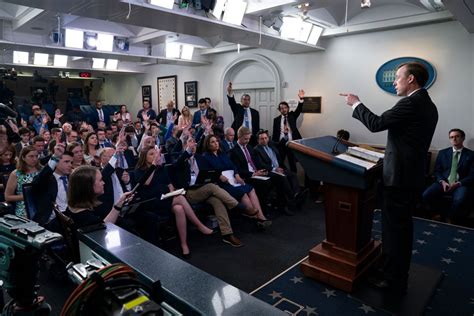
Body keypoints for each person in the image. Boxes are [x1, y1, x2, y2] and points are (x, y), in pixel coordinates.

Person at [340, 62, 438, 295]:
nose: (394, 81)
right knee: (400, 230)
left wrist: (356, 103)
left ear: (411, 79)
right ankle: (393, 272)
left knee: (395, 232)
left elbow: (376, 124)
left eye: (398, 76)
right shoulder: (427, 104)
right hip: (408, 177)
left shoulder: (411, 103)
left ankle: (393, 280)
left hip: (399, 180)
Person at [135, 146, 213, 257]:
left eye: (155, 154)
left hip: (166, 199)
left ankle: (184, 244)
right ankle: (199, 225)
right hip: (151, 202)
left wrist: (171, 193)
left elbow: (169, 184)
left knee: (179, 208)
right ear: (144, 157)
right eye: (151, 154)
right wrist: (153, 166)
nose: (155, 156)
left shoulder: (161, 168)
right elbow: (146, 182)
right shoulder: (139, 170)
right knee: (180, 199)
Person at [173, 134, 250, 247]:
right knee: (212, 187)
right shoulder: (179, 157)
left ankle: (227, 234)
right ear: (185, 145)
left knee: (217, 201)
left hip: (203, 188)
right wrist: (187, 152)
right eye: (190, 142)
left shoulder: (199, 158)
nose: (193, 145)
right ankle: (238, 206)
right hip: (189, 192)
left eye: (194, 143)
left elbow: (209, 173)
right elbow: (176, 166)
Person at [201, 135, 271, 228]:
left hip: (232, 179)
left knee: (251, 189)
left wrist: (237, 175)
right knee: (243, 193)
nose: (216, 144)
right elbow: (208, 173)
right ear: (207, 145)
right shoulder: (205, 157)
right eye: (212, 142)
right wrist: (219, 175)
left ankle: (261, 217)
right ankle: (256, 219)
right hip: (220, 184)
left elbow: (233, 166)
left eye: (217, 141)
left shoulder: (222, 154)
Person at [422, 128, 474, 223]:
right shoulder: (443, 153)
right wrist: (442, 181)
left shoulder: (471, 155)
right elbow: (437, 171)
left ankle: (449, 217)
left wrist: (459, 183)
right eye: (451, 137)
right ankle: (440, 213)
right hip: (443, 182)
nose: (454, 139)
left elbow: (472, 175)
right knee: (426, 195)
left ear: (463, 138)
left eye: (457, 136)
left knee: (460, 199)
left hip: (461, 184)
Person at [65, 165, 133, 229]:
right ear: (88, 186)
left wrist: (119, 203)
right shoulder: (88, 219)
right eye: (100, 180)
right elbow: (103, 229)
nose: (103, 183)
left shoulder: (74, 206)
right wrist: (118, 206)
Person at [272, 90, 305, 172]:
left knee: (293, 164)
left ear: (288, 108)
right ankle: (282, 180)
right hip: (281, 144)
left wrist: (301, 99)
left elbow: (299, 109)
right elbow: (274, 134)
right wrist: (274, 146)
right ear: (279, 110)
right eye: (282, 108)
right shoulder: (276, 120)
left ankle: (294, 182)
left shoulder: (292, 116)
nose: (284, 110)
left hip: (292, 144)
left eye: (285, 108)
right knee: (280, 163)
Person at [4, 146, 41, 217]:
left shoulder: (42, 171)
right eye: (31, 156)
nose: (35, 159)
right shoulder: (16, 174)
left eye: (36, 156)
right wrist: (27, 196)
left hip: (42, 207)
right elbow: (7, 197)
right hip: (24, 210)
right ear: (23, 158)